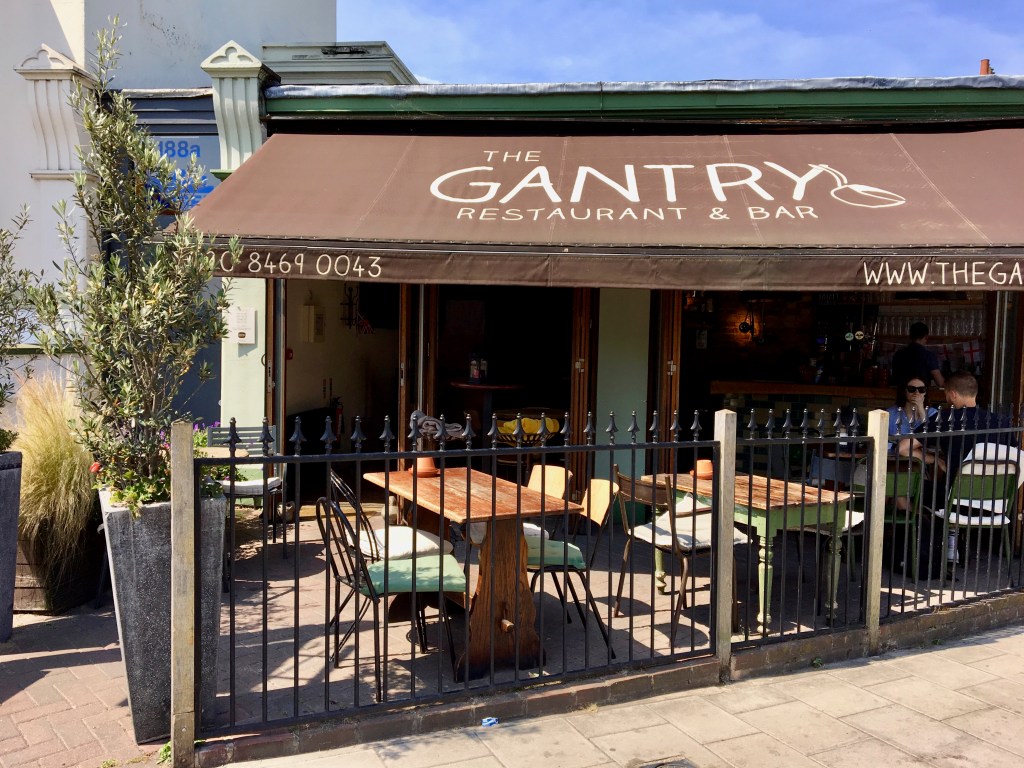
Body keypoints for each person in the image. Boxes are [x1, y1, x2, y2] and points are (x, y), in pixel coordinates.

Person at [891, 322, 944, 389]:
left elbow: (894, 378)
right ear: (926, 337)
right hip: (920, 393)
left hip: (900, 393)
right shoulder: (928, 356)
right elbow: (940, 382)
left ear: (910, 336)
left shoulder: (898, 354)